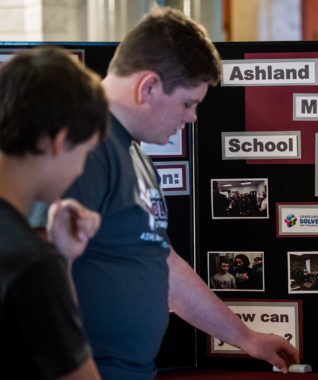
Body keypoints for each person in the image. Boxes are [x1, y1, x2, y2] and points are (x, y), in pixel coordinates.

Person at [29, 7, 299, 379]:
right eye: (188, 103)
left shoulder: (132, 151)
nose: (192, 118)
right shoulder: (82, 146)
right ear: (149, 86)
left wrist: (246, 338)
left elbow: (162, 263)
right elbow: (35, 274)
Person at [0, 47, 108, 379]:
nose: (79, 171)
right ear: (60, 141)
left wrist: (65, 257)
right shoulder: (30, 261)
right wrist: (57, 264)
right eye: (86, 153)